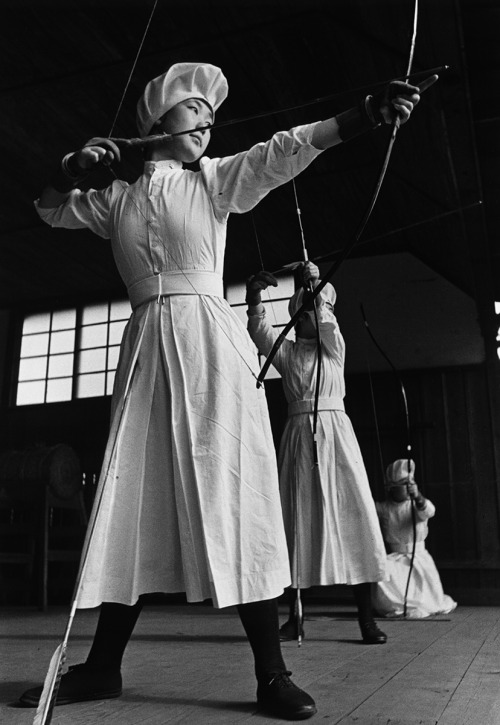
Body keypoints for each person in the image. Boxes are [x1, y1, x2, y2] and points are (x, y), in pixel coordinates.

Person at [20, 61, 427, 720]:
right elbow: (44, 208)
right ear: (155, 125)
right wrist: (75, 164)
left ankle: (271, 673)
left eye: (212, 113)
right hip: (147, 352)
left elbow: (281, 152)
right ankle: (100, 667)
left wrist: (359, 119)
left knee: (233, 496)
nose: (207, 120)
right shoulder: (116, 198)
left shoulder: (212, 182)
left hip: (209, 351)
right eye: (191, 109)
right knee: (133, 500)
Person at [246, 262, 389, 645]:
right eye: (303, 312)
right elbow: (260, 334)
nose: (309, 318)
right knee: (297, 521)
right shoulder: (289, 354)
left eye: (314, 311)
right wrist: (255, 296)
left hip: (336, 437)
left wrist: (314, 284)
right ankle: (295, 617)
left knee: (353, 518)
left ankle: (366, 620)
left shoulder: (333, 349)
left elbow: (328, 326)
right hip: (297, 438)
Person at [372, 459, 457, 619]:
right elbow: (368, 509)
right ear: (391, 487)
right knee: (382, 574)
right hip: (395, 558)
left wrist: (418, 496)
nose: (410, 487)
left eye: (411, 483)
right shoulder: (384, 508)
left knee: (423, 595)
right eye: (404, 483)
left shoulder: (416, 506)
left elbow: (429, 511)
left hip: (418, 558)